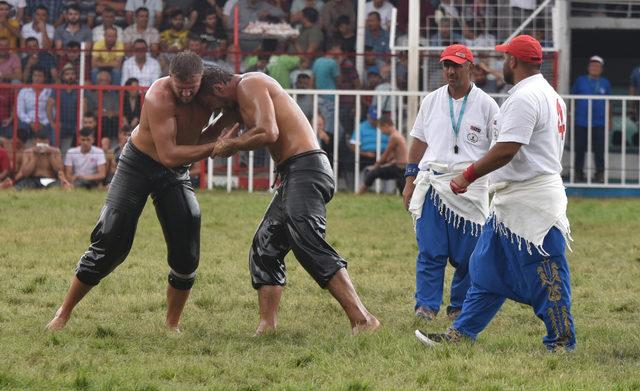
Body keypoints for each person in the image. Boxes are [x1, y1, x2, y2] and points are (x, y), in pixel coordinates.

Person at [46, 52, 231, 332]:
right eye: (180, 85)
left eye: (191, 85)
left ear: (201, 78)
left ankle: (172, 325)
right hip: (139, 164)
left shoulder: (212, 89)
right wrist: (216, 146)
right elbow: (168, 154)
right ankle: (63, 312)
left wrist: (223, 127)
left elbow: (237, 98)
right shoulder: (159, 96)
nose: (186, 91)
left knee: (187, 240)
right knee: (111, 239)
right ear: (170, 77)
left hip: (175, 170)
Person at [416, 35, 576, 352]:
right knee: (484, 269)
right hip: (512, 201)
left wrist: (468, 174)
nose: (502, 63)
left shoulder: (524, 97)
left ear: (513, 62)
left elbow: (506, 150)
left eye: (505, 58)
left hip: (532, 205)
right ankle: (462, 332)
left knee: (548, 273)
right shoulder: (547, 94)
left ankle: (561, 341)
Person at [200, 65, 380, 335]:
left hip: (307, 168)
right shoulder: (233, 104)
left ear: (217, 89)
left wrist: (233, 145)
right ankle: (268, 326)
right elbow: (206, 138)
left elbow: (268, 132)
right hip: (292, 173)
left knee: (306, 241)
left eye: (208, 103)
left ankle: (364, 319)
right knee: (265, 247)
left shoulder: (250, 84)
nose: (209, 110)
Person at [403, 44, 498, 321]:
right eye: (446, 65)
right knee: (430, 250)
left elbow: (498, 147)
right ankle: (426, 306)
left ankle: (459, 306)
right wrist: (409, 179)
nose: (450, 71)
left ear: (471, 66)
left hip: (471, 186)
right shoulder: (431, 100)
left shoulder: (487, 104)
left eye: (456, 65)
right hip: (433, 182)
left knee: (470, 256)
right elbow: (419, 140)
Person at [571, 55, 611, 183]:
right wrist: (570, 116)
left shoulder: (605, 82)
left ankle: (599, 174)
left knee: (599, 149)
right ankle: (578, 173)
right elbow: (572, 100)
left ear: (601, 69)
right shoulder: (580, 80)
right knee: (580, 148)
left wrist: (609, 120)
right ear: (588, 68)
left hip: (599, 121)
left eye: (597, 66)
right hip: (581, 120)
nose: (594, 68)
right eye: (592, 65)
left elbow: (609, 103)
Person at [357, 116, 407, 195]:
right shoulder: (398, 135)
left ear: (386, 125)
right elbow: (394, 155)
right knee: (402, 189)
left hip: (400, 168)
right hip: (401, 167)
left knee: (373, 173)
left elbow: (386, 155)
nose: (381, 131)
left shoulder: (394, 137)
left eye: (381, 128)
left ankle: (359, 193)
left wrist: (376, 166)